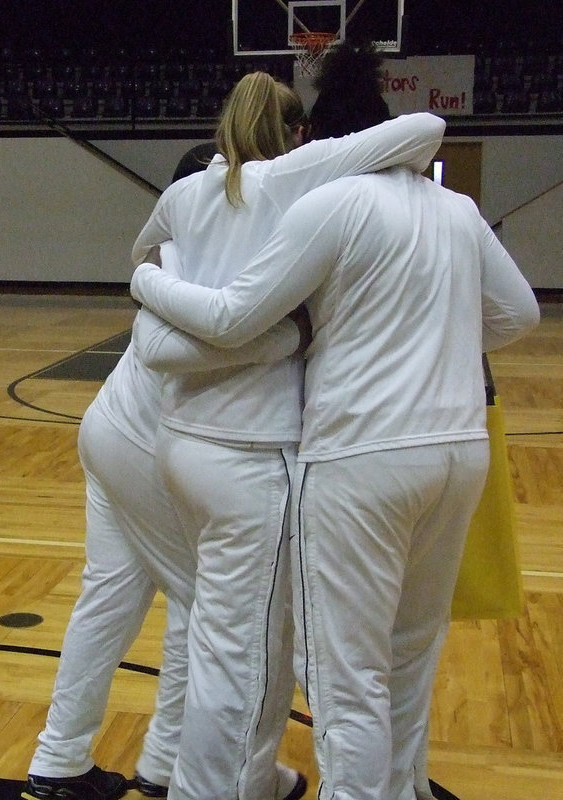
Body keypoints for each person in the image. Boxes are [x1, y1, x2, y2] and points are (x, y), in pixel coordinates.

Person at [130, 45, 540, 800]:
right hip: (458, 453)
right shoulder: (456, 209)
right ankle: (401, 787)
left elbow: (234, 318)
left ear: (326, 142)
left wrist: (147, 277)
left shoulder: (330, 204)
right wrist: (434, 334)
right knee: (412, 651)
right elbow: (518, 314)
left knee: (345, 675)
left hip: (360, 457)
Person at [21, 260, 306, 798]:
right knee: (210, 607)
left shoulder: (188, 240)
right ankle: (176, 766)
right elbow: (184, 348)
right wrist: (292, 337)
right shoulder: (255, 254)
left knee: (112, 596)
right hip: (146, 441)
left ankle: (61, 761)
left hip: (110, 424)